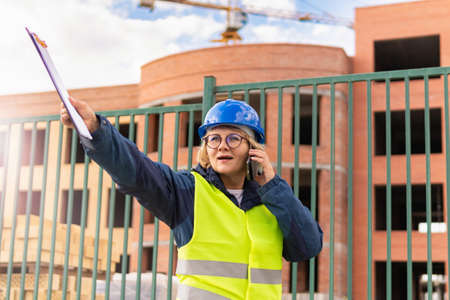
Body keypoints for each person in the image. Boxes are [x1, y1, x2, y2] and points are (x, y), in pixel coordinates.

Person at [60, 97, 323, 300]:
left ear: (253, 149)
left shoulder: (273, 200)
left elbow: (308, 246)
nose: (222, 146)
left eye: (234, 138)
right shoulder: (187, 191)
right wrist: (95, 129)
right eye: (213, 139)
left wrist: (273, 185)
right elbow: (136, 171)